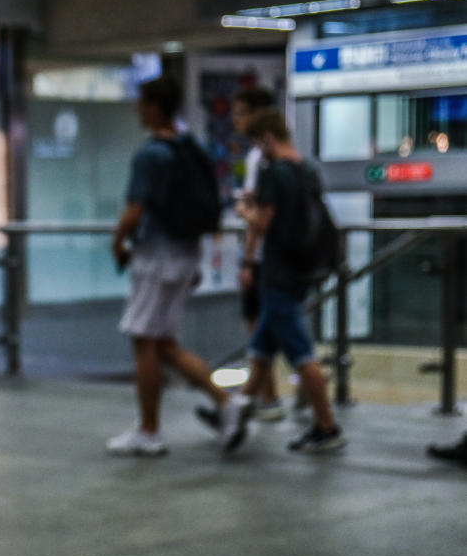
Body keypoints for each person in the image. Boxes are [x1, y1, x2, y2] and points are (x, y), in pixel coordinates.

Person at [108, 76, 250, 457]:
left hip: (157, 255)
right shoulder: (193, 148)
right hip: (187, 254)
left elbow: (135, 209)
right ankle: (226, 403)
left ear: (155, 107)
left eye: (141, 103)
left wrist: (117, 241)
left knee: (143, 340)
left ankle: (149, 431)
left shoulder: (151, 154)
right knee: (165, 344)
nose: (138, 110)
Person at [233, 110, 345, 453]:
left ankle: (327, 426)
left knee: (300, 352)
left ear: (267, 137)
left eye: (257, 141)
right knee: (263, 349)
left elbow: (262, 224)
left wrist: (244, 213)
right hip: (304, 267)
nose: (257, 149)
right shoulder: (308, 168)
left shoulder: (272, 172)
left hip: (278, 270)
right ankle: (232, 415)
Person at [231, 86, 285, 421]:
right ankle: (266, 396)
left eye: (240, 112)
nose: (235, 120)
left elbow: (259, 217)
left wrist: (249, 260)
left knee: (264, 327)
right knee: (272, 327)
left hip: (265, 257)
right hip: (279, 256)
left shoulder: (259, 158)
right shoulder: (278, 155)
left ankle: (264, 398)